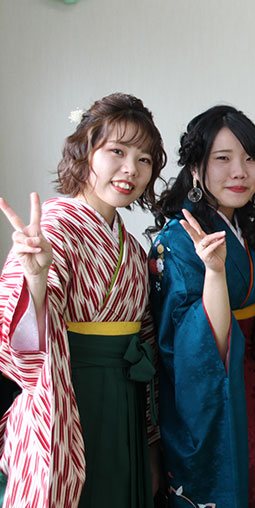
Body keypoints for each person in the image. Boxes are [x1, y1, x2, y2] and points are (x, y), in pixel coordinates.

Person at [0, 93, 166, 507]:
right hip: (70, 399)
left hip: (125, 399)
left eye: (145, 159)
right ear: (85, 151)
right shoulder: (54, 227)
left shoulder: (130, 244)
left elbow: (144, 334)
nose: (131, 168)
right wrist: (35, 279)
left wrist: (149, 434)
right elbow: (20, 345)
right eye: (117, 151)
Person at [148, 106, 255, 508]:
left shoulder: (244, 231)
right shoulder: (179, 240)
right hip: (212, 386)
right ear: (196, 169)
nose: (240, 171)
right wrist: (214, 276)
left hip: (250, 378)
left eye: (250, 158)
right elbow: (186, 341)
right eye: (223, 158)